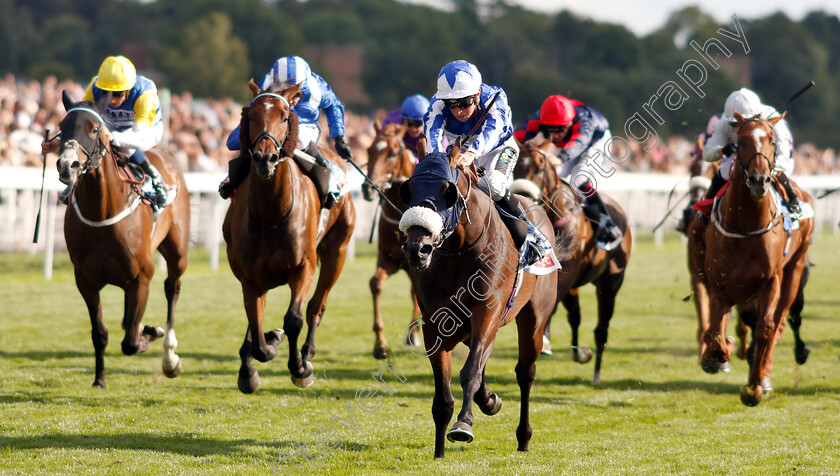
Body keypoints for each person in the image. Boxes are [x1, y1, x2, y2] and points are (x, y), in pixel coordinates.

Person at [425, 60, 549, 266]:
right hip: (461, 152)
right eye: (451, 104)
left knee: (492, 184)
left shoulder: (495, 98)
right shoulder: (436, 105)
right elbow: (433, 135)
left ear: (476, 95)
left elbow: (493, 131)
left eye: (464, 103)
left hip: (500, 149)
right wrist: (437, 162)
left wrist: (472, 153)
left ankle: (531, 237)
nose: (457, 111)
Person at [219, 55, 351, 208]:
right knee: (236, 141)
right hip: (275, 122)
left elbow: (334, 106)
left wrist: (339, 138)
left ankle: (332, 176)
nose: (290, 97)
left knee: (299, 139)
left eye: (295, 92)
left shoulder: (317, 87)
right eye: (283, 90)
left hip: (306, 125)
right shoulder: (267, 82)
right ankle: (232, 176)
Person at [43, 56, 169, 211]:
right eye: (106, 93)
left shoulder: (145, 95)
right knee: (93, 142)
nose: (111, 100)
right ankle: (78, 181)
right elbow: (83, 121)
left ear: (129, 89)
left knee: (125, 147)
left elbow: (139, 137)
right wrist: (59, 141)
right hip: (111, 126)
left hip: (146, 130)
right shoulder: (94, 87)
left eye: (117, 94)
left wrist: (113, 136)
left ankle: (156, 178)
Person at [513, 94, 623, 251]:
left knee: (578, 178)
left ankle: (608, 225)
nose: (555, 135)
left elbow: (579, 142)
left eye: (560, 129)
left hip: (597, 141)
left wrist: (562, 157)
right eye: (550, 130)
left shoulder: (585, 121)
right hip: (572, 145)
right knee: (554, 176)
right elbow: (517, 136)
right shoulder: (543, 117)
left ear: (571, 122)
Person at [702, 87, 799, 215]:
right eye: (734, 124)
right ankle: (706, 209)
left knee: (772, 168)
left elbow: (783, 158)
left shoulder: (775, 122)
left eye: (741, 123)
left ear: (756, 117)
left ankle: (793, 201)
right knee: (724, 169)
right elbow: (707, 154)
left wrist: (766, 171)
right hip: (742, 156)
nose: (737, 129)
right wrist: (721, 150)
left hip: (775, 155)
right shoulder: (723, 124)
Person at [381, 94, 430, 159]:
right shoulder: (392, 121)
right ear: (403, 120)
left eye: (418, 124)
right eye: (409, 123)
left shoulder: (435, 132)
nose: (413, 129)